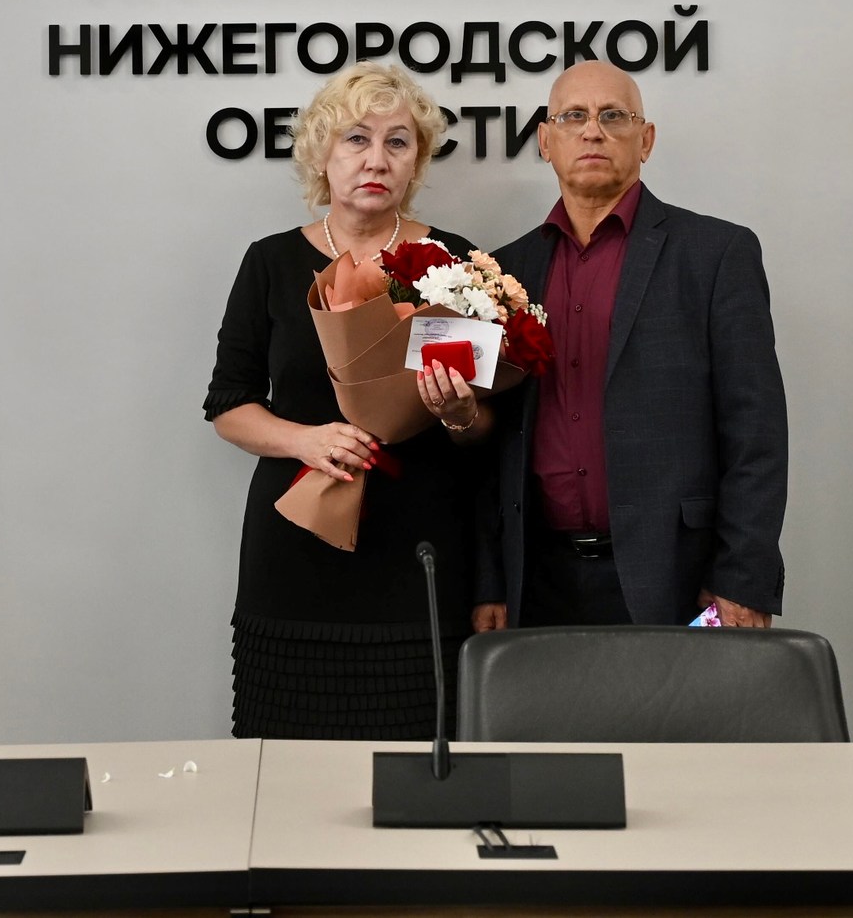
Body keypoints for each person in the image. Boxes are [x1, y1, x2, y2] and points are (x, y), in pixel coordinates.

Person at [205, 62, 491, 738]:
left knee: (421, 753)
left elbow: (485, 428)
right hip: (296, 548)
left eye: (398, 142)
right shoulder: (269, 262)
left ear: (416, 161)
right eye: (356, 138)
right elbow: (228, 404)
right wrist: (304, 439)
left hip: (421, 551)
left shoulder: (455, 264)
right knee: (285, 757)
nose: (376, 159)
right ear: (321, 154)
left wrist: (459, 414)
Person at [472, 61, 788, 632]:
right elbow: (493, 451)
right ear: (545, 140)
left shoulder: (715, 255)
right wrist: (490, 579)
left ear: (646, 140)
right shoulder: (505, 271)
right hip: (535, 581)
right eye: (573, 117)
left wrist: (742, 577)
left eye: (613, 116)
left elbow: (756, 433)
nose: (592, 131)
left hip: (676, 578)